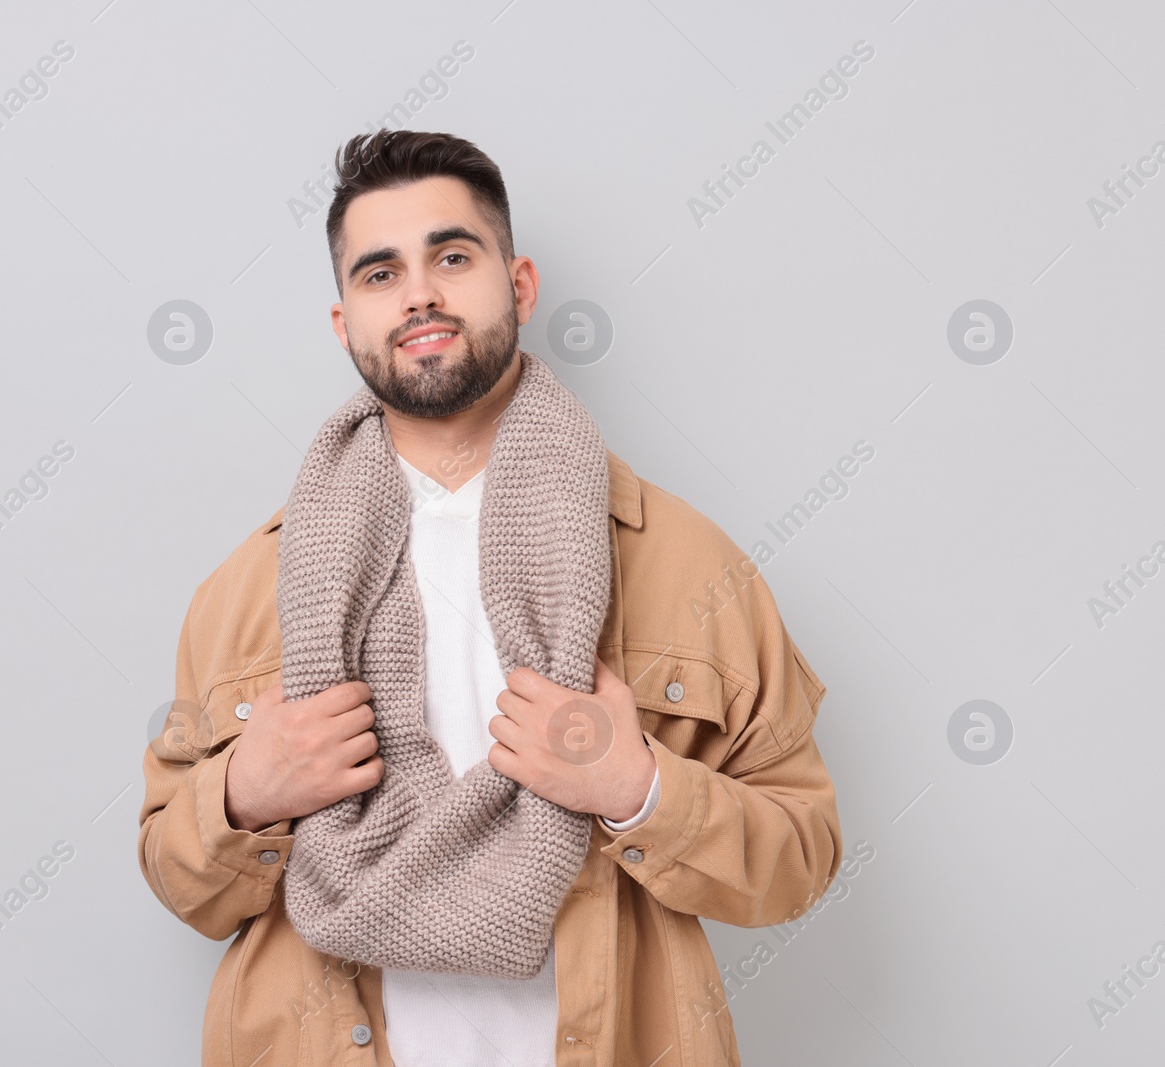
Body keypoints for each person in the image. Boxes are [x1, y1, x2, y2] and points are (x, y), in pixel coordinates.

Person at [138, 129, 842, 1066]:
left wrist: (638, 791)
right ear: (345, 323)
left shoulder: (684, 562)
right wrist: (244, 796)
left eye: (453, 255)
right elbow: (182, 882)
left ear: (519, 286)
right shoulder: (247, 591)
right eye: (379, 272)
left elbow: (800, 858)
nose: (419, 291)